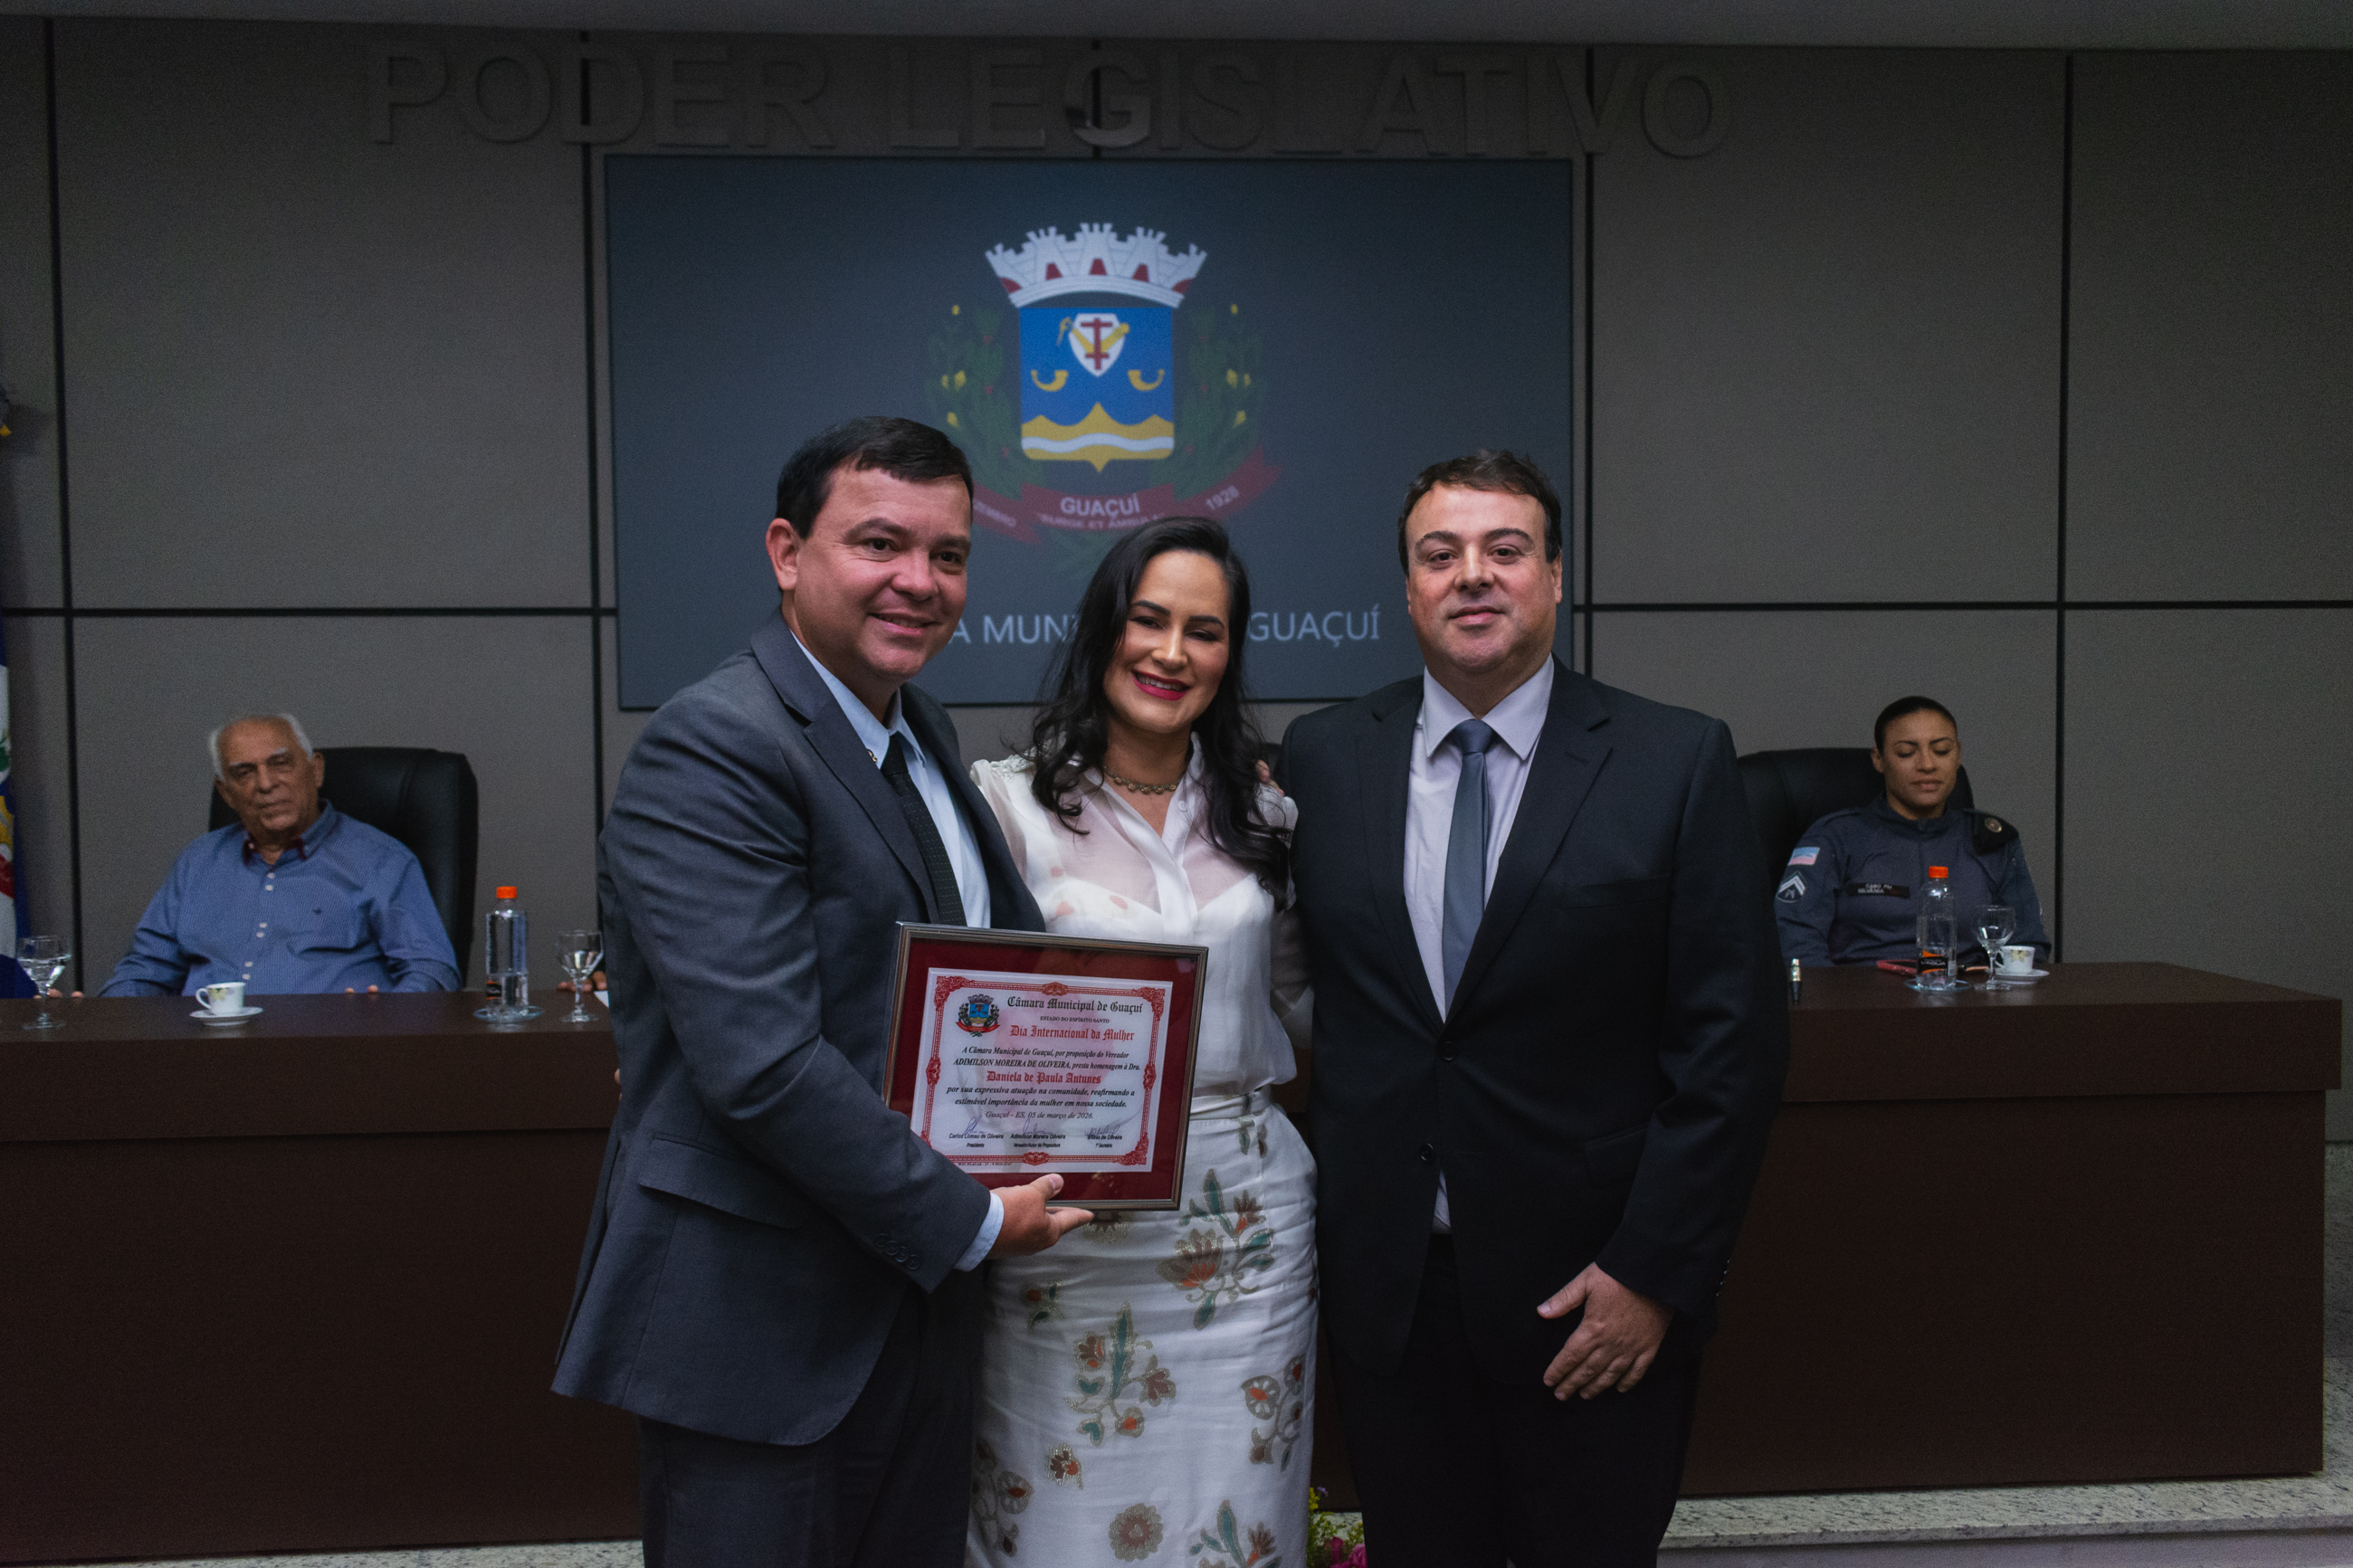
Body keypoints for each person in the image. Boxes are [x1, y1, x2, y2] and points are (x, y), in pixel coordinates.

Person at [551, 416, 1089, 1568]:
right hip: (763, 1320)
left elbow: (976, 986)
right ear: (787, 553)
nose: (919, 580)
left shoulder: (917, 726)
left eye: (948, 555)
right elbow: (763, 1063)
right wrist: (973, 1218)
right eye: (879, 543)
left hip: (915, 1310)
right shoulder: (716, 742)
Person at [1281, 450, 1789, 1568]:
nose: (1471, 574)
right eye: (1439, 554)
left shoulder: (1671, 758)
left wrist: (1652, 1271)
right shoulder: (1322, 757)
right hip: (1392, 1300)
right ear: (1406, 588)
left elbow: (1731, 1049)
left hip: (1592, 1296)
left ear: (1554, 576)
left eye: (1503, 549)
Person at [964, 518, 1315, 1565]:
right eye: (1147, 619)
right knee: (1059, 1520)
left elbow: (1300, 997)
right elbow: (965, 1022)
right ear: (1101, 629)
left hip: (1243, 1227)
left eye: (1203, 630)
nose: (1171, 651)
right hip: (1065, 1226)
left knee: (1237, 1514)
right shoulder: (1006, 805)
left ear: (1228, 652)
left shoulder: (1266, 813)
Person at [98, 713, 457, 996]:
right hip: (205, 1053)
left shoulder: (381, 860)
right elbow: (146, 970)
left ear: (315, 770)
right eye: (244, 773)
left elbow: (431, 970)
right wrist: (102, 1017)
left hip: (330, 1052)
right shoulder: (198, 862)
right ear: (226, 792)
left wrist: (382, 1022)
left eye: (281, 763)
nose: (266, 784)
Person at [1774, 696, 2050, 967]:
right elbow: (1796, 942)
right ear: (1879, 759)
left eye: (1941, 750)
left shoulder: (1991, 840)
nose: (1927, 765)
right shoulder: (1836, 837)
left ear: (1958, 755)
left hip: (1966, 991)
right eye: (1906, 752)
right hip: (1862, 992)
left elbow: (2027, 947)